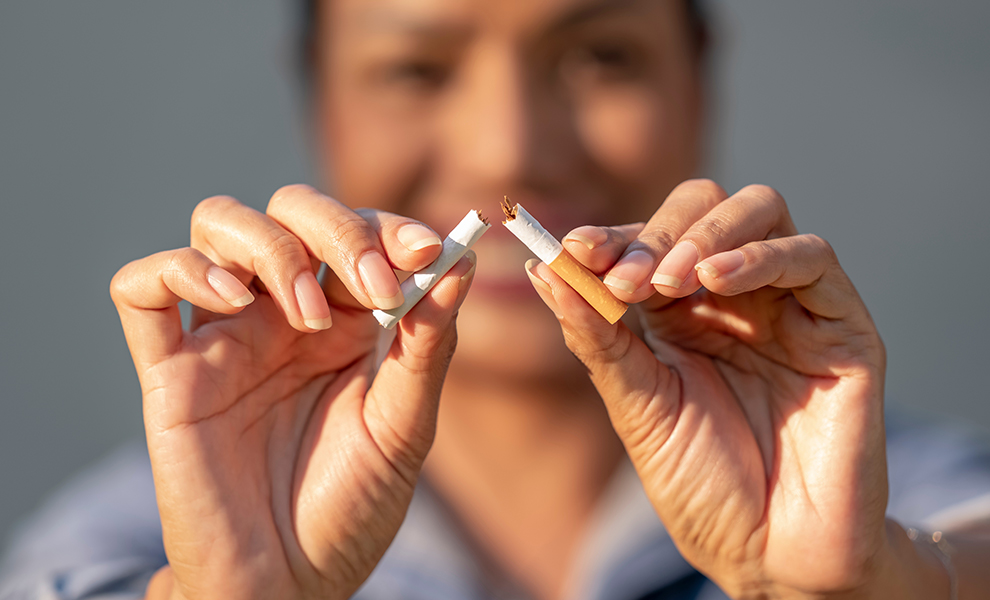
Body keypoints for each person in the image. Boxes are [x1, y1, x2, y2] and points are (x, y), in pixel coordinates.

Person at [3, 1, 990, 598]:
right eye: (416, 69)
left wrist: (889, 587)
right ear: (321, 97)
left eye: (603, 55)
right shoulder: (138, 541)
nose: (507, 146)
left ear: (699, 79)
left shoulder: (902, 499)